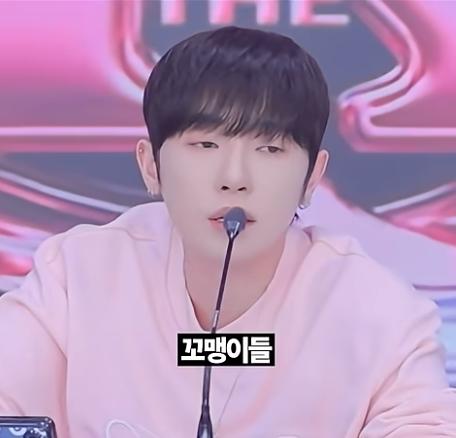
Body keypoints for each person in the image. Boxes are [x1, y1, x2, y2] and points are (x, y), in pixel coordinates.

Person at [0, 26, 455, 438]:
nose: (234, 178)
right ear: (151, 165)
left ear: (312, 178)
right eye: (205, 144)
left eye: (269, 149)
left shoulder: (376, 309)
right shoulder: (76, 277)